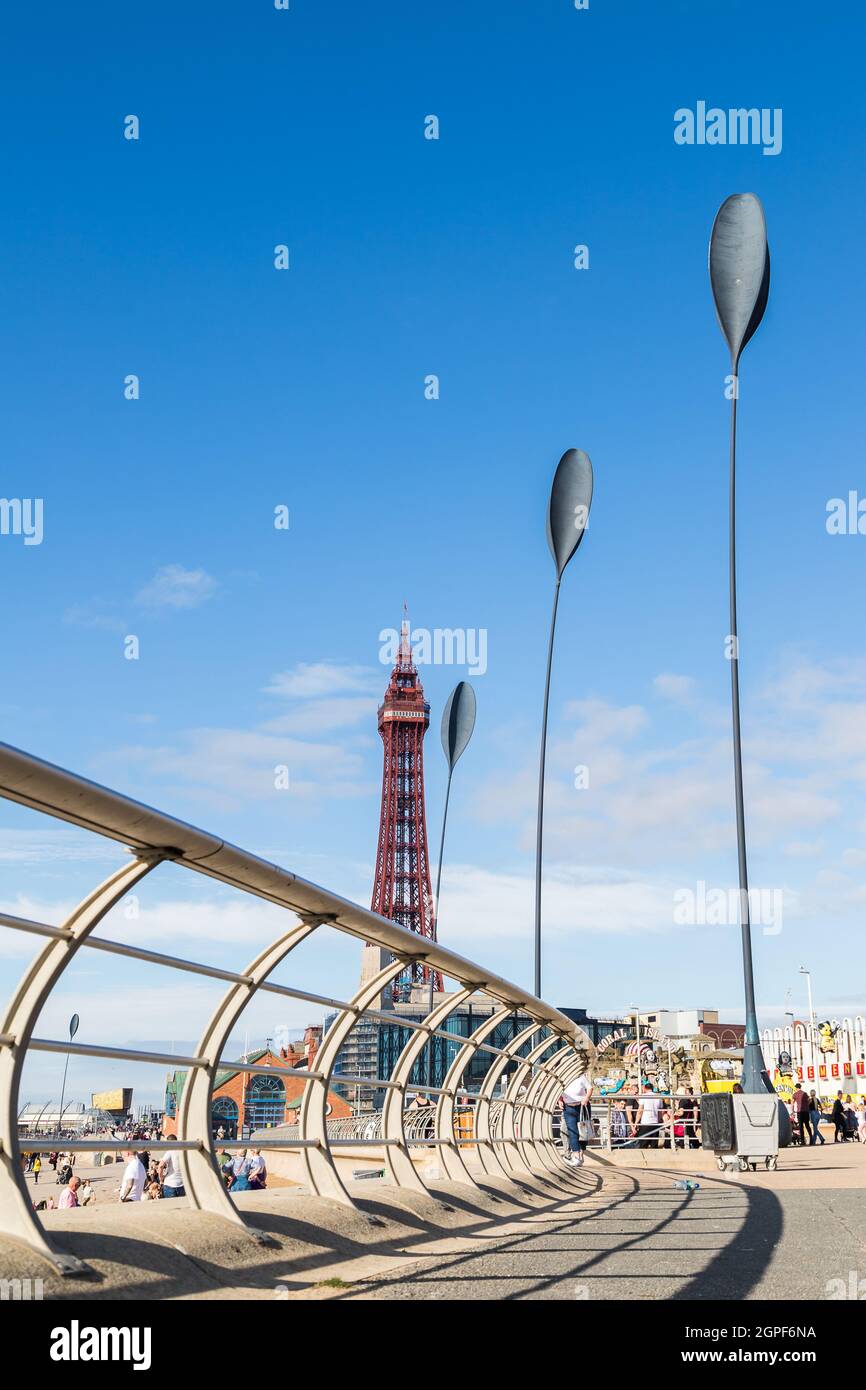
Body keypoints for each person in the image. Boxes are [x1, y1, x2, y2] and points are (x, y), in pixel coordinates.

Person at [561, 1071, 593, 1166]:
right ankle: (576, 1156)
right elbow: (557, 1092)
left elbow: (590, 1088)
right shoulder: (562, 1079)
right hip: (568, 1108)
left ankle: (581, 1155)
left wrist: (586, 1098)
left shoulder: (581, 1078)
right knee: (572, 1132)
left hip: (582, 1107)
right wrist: (560, 1100)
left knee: (583, 1131)